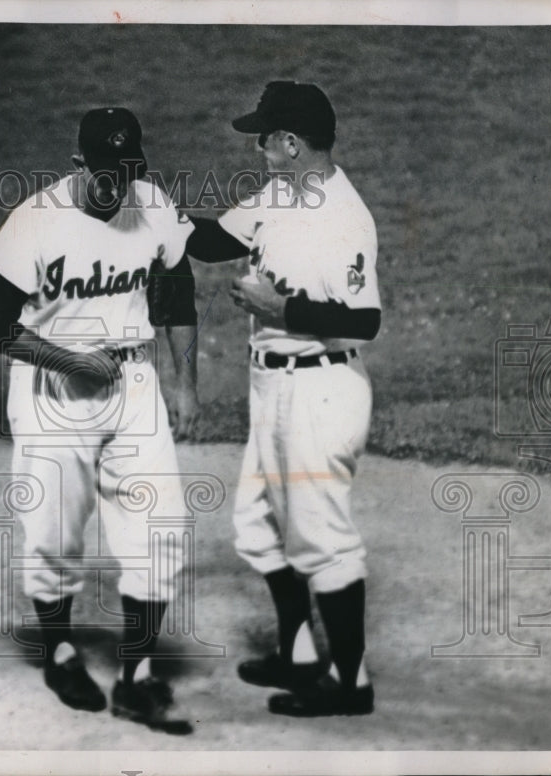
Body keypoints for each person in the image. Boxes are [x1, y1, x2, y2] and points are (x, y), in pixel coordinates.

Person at [0, 107, 200, 734]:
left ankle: (137, 674)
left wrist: (185, 382)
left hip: (133, 384)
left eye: (127, 172)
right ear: (79, 164)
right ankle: (59, 651)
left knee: (163, 532)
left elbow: (177, 289)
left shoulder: (151, 201)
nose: (116, 186)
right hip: (52, 393)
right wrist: (69, 360)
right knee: (52, 534)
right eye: (105, 173)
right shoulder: (35, 221)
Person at [186, 81, 381, 716]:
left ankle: (350, 685)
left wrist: (281, 307)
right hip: (273, 387)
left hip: (322, 388)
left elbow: (365, 319)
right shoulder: (281, 193)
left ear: (291, 143)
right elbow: (217, 242)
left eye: (265, 139)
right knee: (260, 526)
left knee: (321, 536)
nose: (259, 149)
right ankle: (298, 656)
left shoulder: (341, 215)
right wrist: (153, 213)